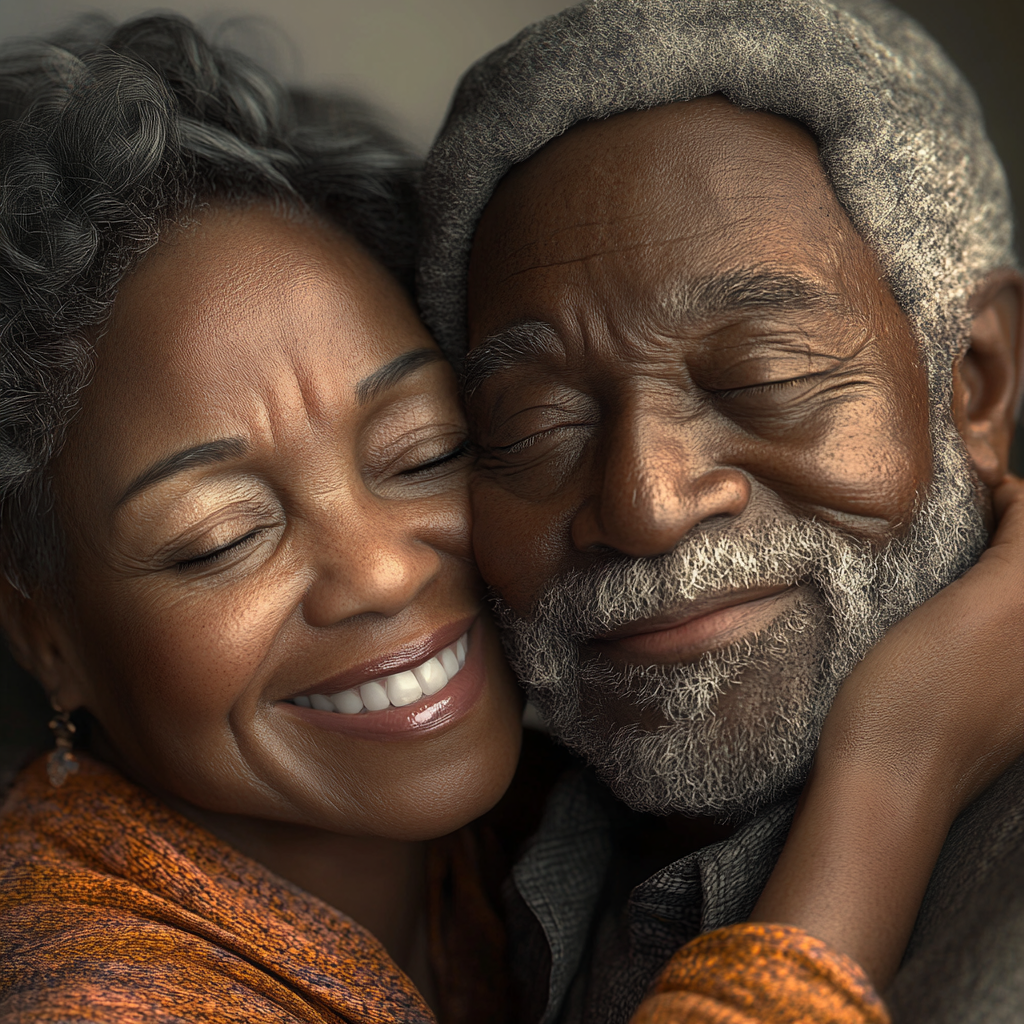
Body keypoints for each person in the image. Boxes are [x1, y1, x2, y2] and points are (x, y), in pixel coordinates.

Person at [0, 11, 1019, 1024]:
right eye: (220, 536)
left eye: (423, 453)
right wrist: (894, 765)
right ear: (45, 634)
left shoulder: (540, 825)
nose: (382, 573)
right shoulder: (84, 991)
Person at [416, 0, 1024, 1021]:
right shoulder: (466, 866)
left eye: (757, 378)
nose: (646, 505)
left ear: (973, 382)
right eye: (528, 426)